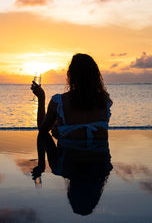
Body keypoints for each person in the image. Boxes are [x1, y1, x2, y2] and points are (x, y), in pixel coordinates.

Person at [30, 53, 113, 216]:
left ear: (71, 76)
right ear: (95, 76)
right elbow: (86, 125)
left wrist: (41, 97)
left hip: (70, 151)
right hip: (97, 152)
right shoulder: (104, 101)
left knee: (46, 137)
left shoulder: (59, 101)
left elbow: (42, 129)